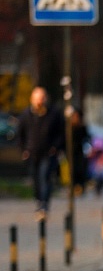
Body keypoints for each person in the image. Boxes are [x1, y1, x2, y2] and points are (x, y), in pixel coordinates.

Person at [17, 86, 64, 220]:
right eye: (37, 99)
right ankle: (39, 201)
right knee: (36, 179)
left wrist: (55, 147)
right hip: (32, 153)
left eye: (42, 98)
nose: (39, 102)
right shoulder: (26, 115)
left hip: (48, 153)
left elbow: (60, 133)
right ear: (32, 100)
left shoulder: (53, 114)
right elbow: (20, 134)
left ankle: (44, 204)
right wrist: (24, 149)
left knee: (45, 177)